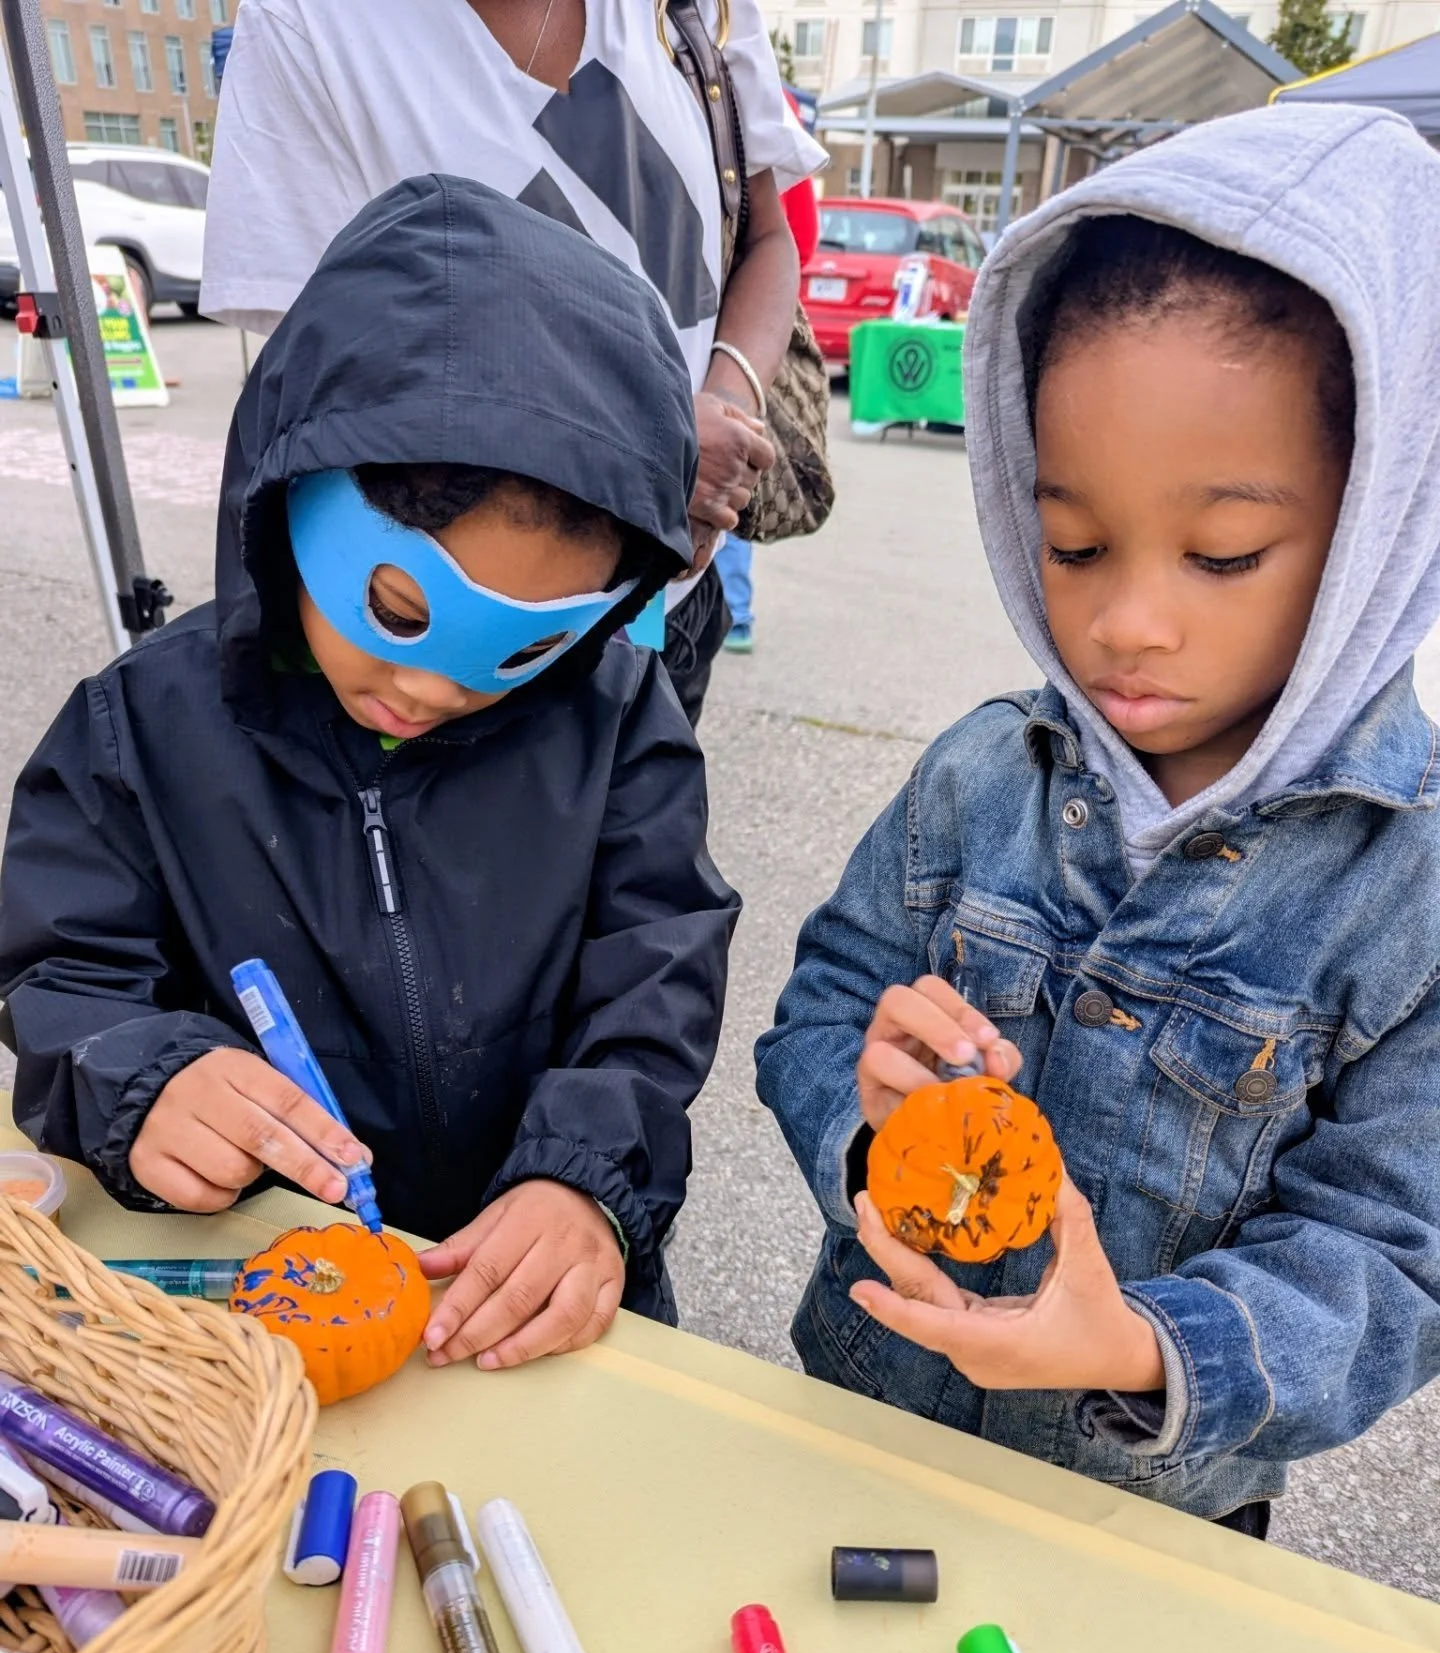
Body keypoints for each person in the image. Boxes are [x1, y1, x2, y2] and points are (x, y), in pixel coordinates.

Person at [756, 105, 1440, 1536]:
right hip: (865, 1415)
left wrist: (1139, 1346)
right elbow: (821, 1011)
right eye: (1073, 542)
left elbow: (1389, 1258)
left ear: (1380, 526)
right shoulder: (977, 777)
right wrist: (869, 1129)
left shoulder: (1408, 888)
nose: (1126, 621)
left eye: (1223, 553)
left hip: (1142, 1512)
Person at [0, 179, 739, 1372]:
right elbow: (66, 968)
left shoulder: (611, 719)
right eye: (398, 610)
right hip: (259, 1288)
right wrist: (143, 1080)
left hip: (528, 1283)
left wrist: (590, 1181)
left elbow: (656, 972)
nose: (439, 691)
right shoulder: (142, 726)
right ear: (293, 492)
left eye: (519, 651)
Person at [199, 0, 825, 727]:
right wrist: (643, 456)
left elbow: (768, 239)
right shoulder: (307, 23)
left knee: (641, 822)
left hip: (665, 601)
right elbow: (324, 378)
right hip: (444, 620)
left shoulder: (696, 11)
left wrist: (723, 401)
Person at [719, 122, 821, 659]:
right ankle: (736, 611)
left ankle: (734, 611)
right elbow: (802, 234)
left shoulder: (739, 97)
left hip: (732, 337)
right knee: (730, 487)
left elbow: (786, 240)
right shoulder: (765, 115)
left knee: (722, 473)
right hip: (747, 333)